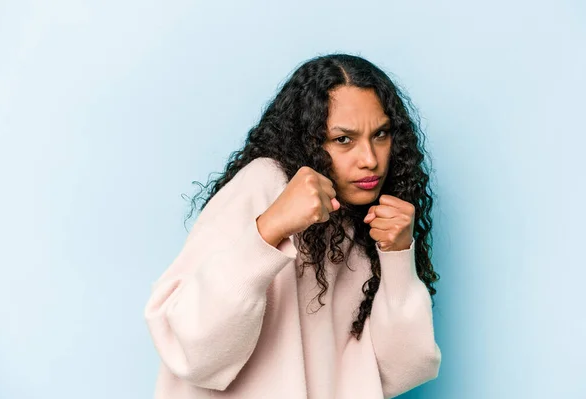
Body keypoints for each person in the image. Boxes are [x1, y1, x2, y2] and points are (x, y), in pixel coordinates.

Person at [143, 53, 442, 399]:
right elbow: (193, 351)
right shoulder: (264, 184)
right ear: (309, 140)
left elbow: (402, 370)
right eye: (343, 139)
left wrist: (397, 256)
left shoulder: (365, 223)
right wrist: (269, 229)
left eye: (381, 134)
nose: (370, 160)